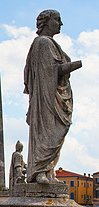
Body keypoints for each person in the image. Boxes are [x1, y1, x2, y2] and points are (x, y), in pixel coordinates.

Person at [24, 10, 82, 184]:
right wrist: (76, 65)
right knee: (46, 134)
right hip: (46, 99)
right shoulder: (42, 43)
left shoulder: (50, 44)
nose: (60, 24)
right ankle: (39, 171)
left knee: (55, 134)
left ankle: (48, 171)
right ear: (47, 22)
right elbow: (50, 72)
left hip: (53, 96)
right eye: (57, 20)